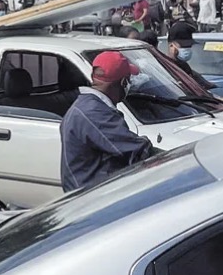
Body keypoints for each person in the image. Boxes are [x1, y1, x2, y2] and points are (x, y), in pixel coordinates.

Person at [59, 51, 154, 192]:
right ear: (123, 82)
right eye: (128, 80)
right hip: (91, 198)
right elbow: (137, 150)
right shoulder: (95, 114)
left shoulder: (86, 106)